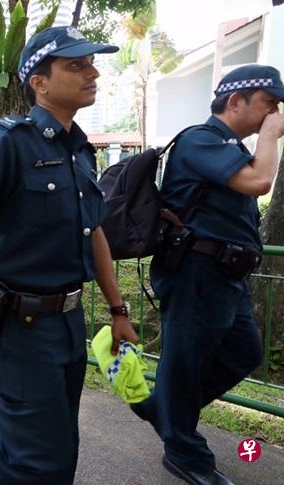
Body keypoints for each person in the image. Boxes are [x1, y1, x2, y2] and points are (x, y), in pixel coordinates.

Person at [0, 27, 139, 484]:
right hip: (20, 325)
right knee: (37, 458)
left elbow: (95, 234)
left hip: (70, 322)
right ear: (40, 82)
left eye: (91, 63)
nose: (92, 72)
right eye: (76, 65)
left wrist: (117, 310)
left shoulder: (80, 152)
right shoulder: (8, 142)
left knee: (59, 446)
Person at [129, 65, 284, 485]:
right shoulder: (202, 139)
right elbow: (261, 180)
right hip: (196, 273)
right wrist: (269, 137)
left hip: (226, 277)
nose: (274, 114)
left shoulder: (228, 147)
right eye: (269, 104)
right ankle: (184, 454)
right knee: (184, 362)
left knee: (243, 352)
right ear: (236, 101)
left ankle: (164, 409)